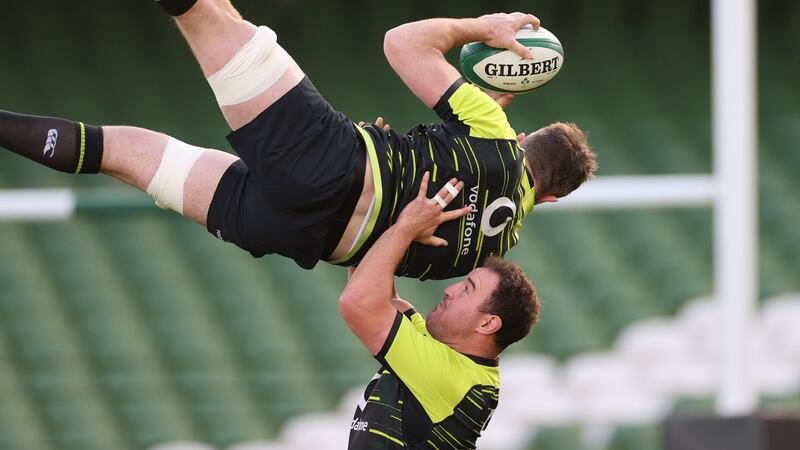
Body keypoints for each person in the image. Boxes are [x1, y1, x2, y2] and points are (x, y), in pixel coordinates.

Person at [0, 1, 596, 279]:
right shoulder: (492, 251)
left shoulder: (493, 134)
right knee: (122, 153)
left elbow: (402, 43)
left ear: (524, 136)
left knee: (205, 15)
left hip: (326, 163)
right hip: (298, 232)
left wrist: (480, 27)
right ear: (547, 200)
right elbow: (384, 264)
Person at [340, 171, 540, 448]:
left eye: (468, 288)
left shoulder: (452, 379)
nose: (450, 289)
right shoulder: (450, 359)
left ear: (487, 324)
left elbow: (358, 302)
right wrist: (379, 190)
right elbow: (372, 289)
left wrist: (408, 226)